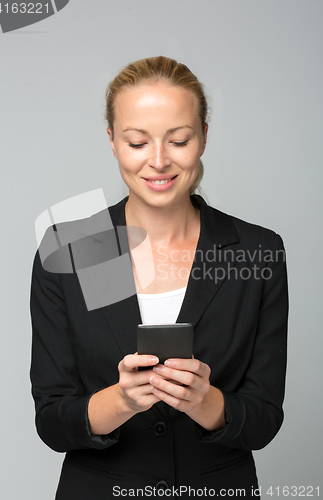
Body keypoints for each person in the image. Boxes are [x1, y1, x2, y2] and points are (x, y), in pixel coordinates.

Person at [30, 56, 289, 499]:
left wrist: (205, 402)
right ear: (112, 140)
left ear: (204, 136)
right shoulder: (73, 250)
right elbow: (53, 421)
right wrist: (121, 401)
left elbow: (264, 417)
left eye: (179, 139)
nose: (158, 161)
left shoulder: (256, 250)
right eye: (137, 142)